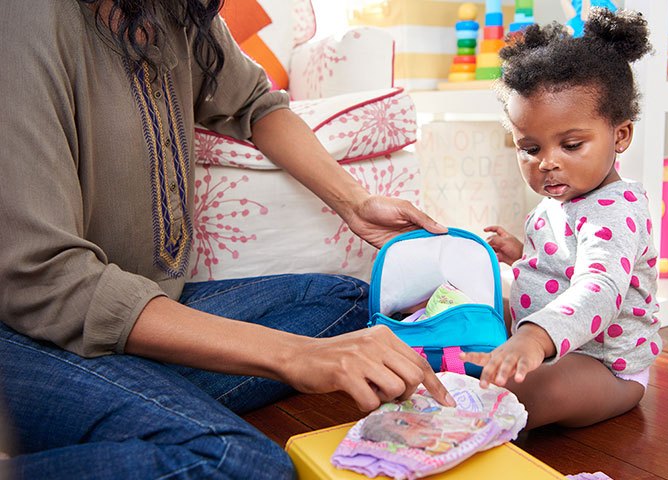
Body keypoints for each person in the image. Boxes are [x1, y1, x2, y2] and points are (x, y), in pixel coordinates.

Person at [0, 0, 455, 478]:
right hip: (25, 331)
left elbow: (256, 103)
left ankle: (129, 399)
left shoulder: (175, 11)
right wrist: (297, 355)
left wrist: (355, 202)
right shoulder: (24, 19)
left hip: (134, 311)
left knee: (346, 301)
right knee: (237, 464)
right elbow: (44, 279)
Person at [461, 9, 663, 430]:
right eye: (530, 148)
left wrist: (534, 337)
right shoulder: (562, 195)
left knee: (533, 392)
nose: (547, 163)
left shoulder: (617, 206)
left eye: (571, 144)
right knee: (467, 307)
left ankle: (480, 407)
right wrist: (521, 254)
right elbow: (564, 261)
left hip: (605, 365)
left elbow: (599, 287)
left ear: (620, 135)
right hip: (556, 346)